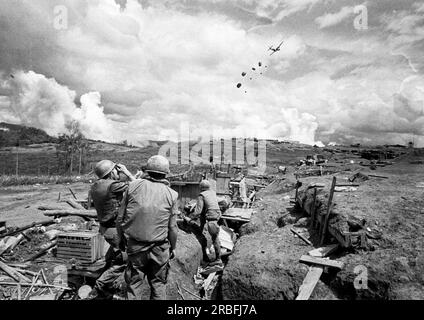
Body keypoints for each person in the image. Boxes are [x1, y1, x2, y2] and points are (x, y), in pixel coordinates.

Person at [118, 155, 178, 300]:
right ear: (166, 173)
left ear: (147, 171)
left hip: (136, 247)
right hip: (160, 249)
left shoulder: (133, 186)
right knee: (158, 284)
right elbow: (173, 227)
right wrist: (173, 247)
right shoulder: (172, 194)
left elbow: (120, 218)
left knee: (134, 285)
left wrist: (121, 239)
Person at [88, 160, 136, 299]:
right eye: (116, 170)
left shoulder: (96, 185)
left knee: (110, 259)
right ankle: (100, 287)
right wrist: (127, 173)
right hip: (115, 231)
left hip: (104, 229)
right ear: (112, 172)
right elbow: (138, 185)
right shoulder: (113, 185)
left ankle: (102, 284)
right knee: (124, 260)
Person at [184, 180, 222, 264]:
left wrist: (189, 218)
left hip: (212, 218)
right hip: (217, 215)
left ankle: (218, 259)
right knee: (213, 236)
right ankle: (206, 253)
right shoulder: (212, 193)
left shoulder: (202, 195)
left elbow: (198, 212)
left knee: (215, 238)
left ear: (201, 188)